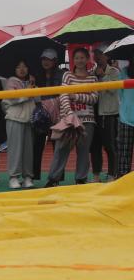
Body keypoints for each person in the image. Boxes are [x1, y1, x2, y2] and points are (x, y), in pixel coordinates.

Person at [45, 47, 98, 187]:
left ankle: (81, 179)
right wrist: (69, 112)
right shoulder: (67, 75)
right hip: (68, 119)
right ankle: (53, 179)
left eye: (82, 57)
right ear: (73, 60)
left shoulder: (93, 78)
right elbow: (63, 95)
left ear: (87, 59)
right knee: (61, 149)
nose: (79, 60)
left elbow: (94, 98)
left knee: (83, 150)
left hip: (87, 119)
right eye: (77, 58)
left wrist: (76, 96)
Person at [2, 59, 36, 189]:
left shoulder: (31, 81)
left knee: (28, 151)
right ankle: (14, 177)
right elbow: (13, 98)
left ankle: (28, 177)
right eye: (18, 67)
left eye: (24, 66)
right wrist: (28, 91)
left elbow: (37, 98)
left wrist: (34, 87)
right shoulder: (11, 81)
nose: (22, 69)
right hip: (14, 118)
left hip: (29, 119)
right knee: (15, 150)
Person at [31, 49, 64, 181]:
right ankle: (33, 175)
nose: (46, 61)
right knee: (37, 145)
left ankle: (58, 176)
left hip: (57, 113)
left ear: (55, 61)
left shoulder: (62, 74)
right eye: (44, 59)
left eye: (49, 59)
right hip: (41, 114)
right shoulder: (36, 75)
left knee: (58, 146)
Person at [91, 49, 120, 182]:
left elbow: (113, 89)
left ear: (107, 56)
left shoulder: (114, 72)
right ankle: (96, 175)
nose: (97, 56)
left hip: (108, 114)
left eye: (100, 54)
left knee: (109, 145)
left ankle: (112, 174)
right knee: (95, 146)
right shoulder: (91, 72)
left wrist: (103, 76)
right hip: (93, 113)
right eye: (95, 54)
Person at [117, 54, 134, 178]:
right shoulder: (124, 72)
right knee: (124, 154)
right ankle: (122, 179)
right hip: (126, 119)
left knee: (124, 153)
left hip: (126, 116)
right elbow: (120, 93)